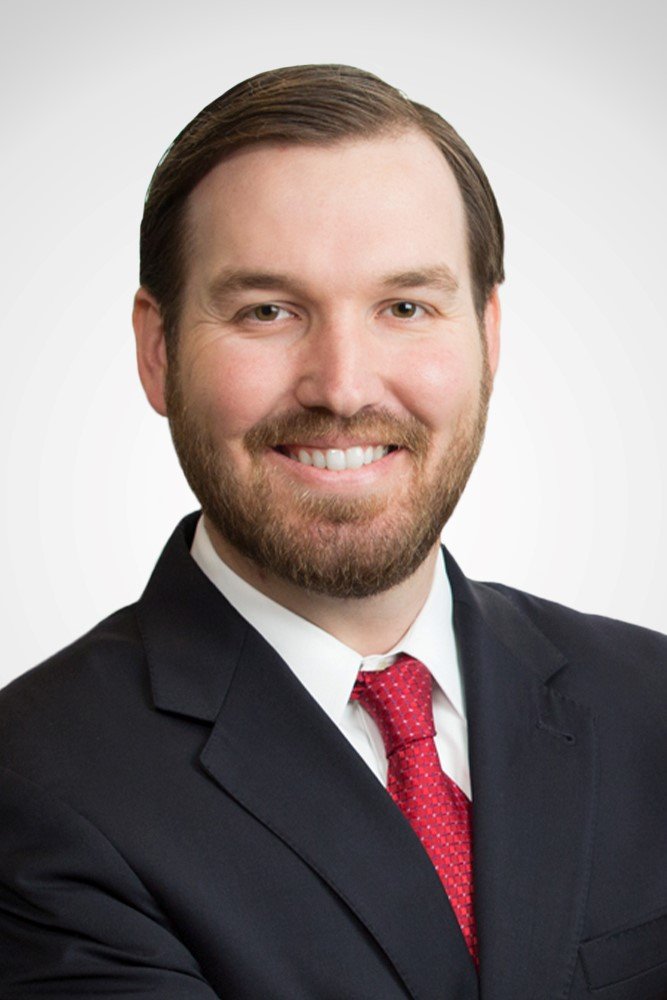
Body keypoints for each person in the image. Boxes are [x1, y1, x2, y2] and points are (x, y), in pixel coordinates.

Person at [0, 63, 665, 1000]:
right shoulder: (33, 783)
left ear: (488, 336)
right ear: (157, 352)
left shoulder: (652, 704)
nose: (343, 386)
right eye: (267, 311)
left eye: (404, 307)